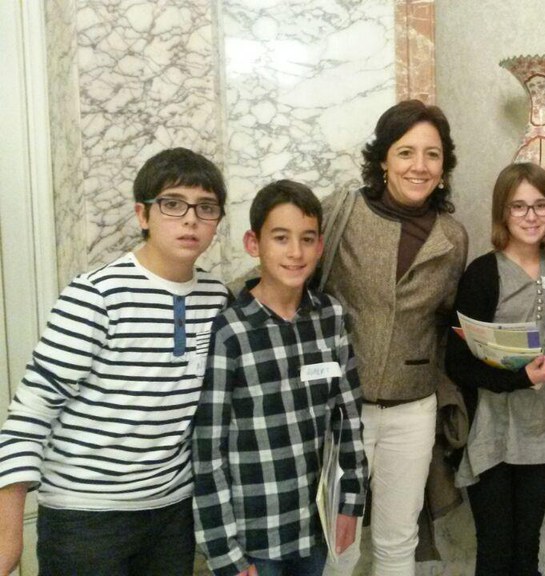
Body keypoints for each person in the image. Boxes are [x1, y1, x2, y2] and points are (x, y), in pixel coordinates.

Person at [0, 148, 230, 576]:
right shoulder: (96, 295)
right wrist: (8, 534)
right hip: (86, 515)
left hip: (171, 512)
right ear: (143, 215)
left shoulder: (217, 298)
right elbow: (31, 411)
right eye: (173, 204)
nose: (190, 219)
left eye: (206, 207)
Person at [319, 99, 468, 576]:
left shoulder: (452, 237)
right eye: (406, 152)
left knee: (398, 541)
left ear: (443, 167)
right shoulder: (341, 213)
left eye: (432, 154)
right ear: (383, 159)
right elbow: (289, 278)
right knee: (336, 545)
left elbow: (445, 322)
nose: (419, 166)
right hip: (340, 409)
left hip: (413, 410)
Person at [192, 180, 367, 576]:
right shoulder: (231, 331)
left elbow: (348, 420)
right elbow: (208, 451)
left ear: (320, 247)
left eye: (307, 239)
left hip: (313, 528)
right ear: (253, 243)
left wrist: (352, 500)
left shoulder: (330, 317)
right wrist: (224, 552)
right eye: (281, 238)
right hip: (255, 536)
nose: (295, 252)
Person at [444, 162, 545, 576]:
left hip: (543, 428)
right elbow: (457, 361)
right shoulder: (483, 273)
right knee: (495, 551)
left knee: (526, 549)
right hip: (492, 428)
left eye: (540, 205)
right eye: (519, 206)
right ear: (503, 212)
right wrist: (516, 378)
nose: (531, 216)